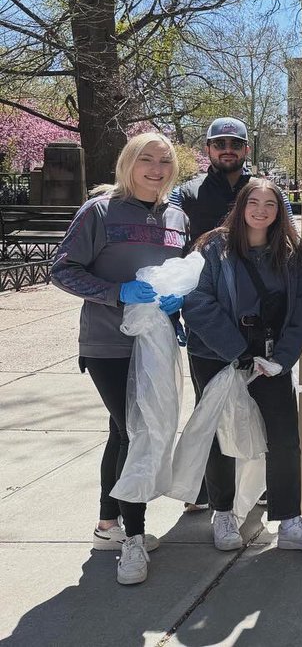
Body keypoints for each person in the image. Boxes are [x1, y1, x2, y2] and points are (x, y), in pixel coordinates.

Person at [50, 132, 189, 585]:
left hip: (157, 343)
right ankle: (134, 537)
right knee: (138, 431)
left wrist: (177, 302)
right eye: (145, 159)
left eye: (164, 161)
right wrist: (115, 293)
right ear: (128, 165)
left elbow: (179, 272)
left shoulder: (177, 217)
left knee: (123, 430)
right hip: (109, 345)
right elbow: (62, 269)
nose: (155, 168)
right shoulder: (100, 211)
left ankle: (107, 526)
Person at [183, 178, 302, 552]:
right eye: (254, 202)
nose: (261, 210)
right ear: (241, 206)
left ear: (281, 211)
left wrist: (282, 360)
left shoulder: (291, 255)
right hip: (216, 355)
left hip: (268, 359)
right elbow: (197, 302)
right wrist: (236, 350)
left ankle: (289, 520)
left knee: (284, 438)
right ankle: (222, 513)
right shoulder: (213, 248)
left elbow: (300, 314)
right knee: (219, 436)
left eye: (271, 204)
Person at [170, 116, 292, 512]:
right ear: (206, 149)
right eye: (218, 143)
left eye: (234, 144)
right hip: (210, 319)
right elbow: (170, 247)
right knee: (211, 408)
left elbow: (287, 238)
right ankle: (210, 492)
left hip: (260, 319)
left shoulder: (266, 191)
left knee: (264, 407)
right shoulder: (183, 196)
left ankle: (263, 486)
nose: (227, 150)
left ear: (246, 150)